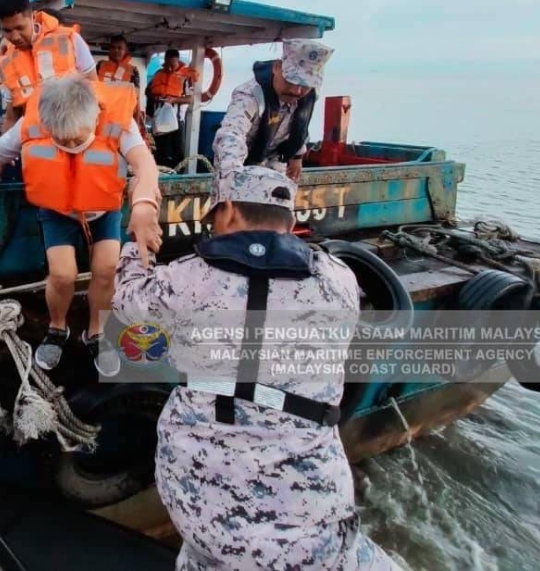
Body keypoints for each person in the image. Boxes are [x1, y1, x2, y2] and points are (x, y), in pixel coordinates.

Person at [112, 166, 400, 570]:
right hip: (309, 515)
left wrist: (135, 244)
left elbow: (127, 301)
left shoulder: (186, 278)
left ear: (227, 212)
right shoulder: (339, 281)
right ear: (292, 221)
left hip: (199, 499)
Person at [0, 75, 162, 375]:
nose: (71, 145)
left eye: (77, 138)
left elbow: (144, 164)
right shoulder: (31, 125)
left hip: (103, 210)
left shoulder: (119, 123)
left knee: (106, 269)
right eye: (62, 140)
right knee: (62, 275)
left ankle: (97, 332)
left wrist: (143, 205)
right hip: (57, 209)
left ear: (95, 116)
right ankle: (57, 329)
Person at [213, 39, 333, 182]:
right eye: (291, 81)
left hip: (274, 160)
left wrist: (297, 156)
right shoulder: (249, 95)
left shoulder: (308, 95)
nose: (297, 91)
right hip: (240, 163)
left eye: (305, 85)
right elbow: (231, 133)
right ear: (277, 67)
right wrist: (231, 172)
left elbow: (301, 124)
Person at [0, 0, 97, 131]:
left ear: (32, 16)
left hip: (74, 136)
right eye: (7, 31)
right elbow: (11, 116)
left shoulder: (71, 39)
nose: (15, 37)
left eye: (20, 28)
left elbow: (95, 90)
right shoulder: (8, 61)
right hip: (36, 145)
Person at [146, 48, 199, 169]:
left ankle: (176, 178)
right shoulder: (158, 74)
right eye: (167, 65)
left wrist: (174, 100)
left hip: (176, 120)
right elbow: (148, 91)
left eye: (172, 65)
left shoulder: (185, 78)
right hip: (159, 119)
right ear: (164, 61)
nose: (169, 68)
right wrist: (154, 97)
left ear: (178, 62)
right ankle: (161, 176)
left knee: (177, 152)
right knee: (160, 151)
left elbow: (190, 99)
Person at [96, 34, 148, 143]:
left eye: (120, 48)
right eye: (113, 47)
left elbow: (136, 99)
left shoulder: (133, 71)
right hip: (101, 117)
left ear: (126, 50)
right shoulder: (100, 66)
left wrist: (137, 123)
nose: (116, 50)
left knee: (119, 147)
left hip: (123, 118)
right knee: (101, 146)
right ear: (109, 49)